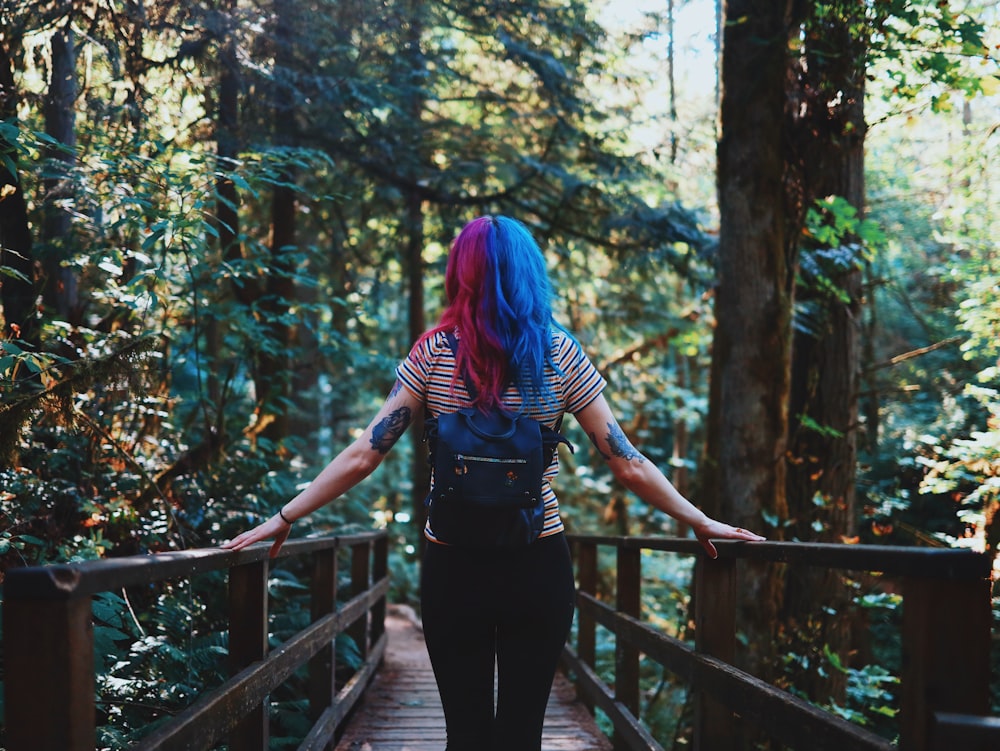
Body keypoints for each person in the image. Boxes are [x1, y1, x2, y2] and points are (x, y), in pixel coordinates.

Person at [222, 215, 765, 750]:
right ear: (529, 274)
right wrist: (698, 518)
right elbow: (626, 461)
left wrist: (284, 516)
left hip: (453, 564)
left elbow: (367, 452)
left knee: (466, 733)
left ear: (462, 274)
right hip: (537, 561)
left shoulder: (434, 353)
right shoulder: (559, 353)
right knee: (522, 734)